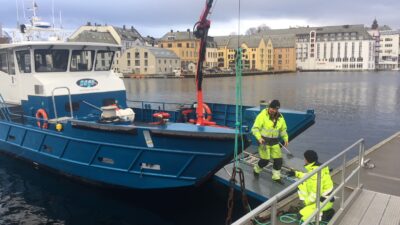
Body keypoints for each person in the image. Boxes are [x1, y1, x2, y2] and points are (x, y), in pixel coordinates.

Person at [287, 150, 335, 222]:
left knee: (301, 216)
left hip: (324, 201)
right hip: (320, 198)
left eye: (305, 158)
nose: (304, 160)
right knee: (301, 184)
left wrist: (305, 203)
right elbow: (308, 176)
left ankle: (325, 214)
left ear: (307, 160)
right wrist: (296, 173)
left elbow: (315, 194)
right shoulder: (316, 168)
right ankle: (309, 207)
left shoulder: (316, 175)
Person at [252, 99, 288, 183]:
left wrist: (285, 138)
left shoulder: (280, 117)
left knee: (278, 160)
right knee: (265, 160)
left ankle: (276, 177)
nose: (273, 110)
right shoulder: (262, 116)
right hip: (264, 141)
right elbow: (255, 128)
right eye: (272, 108)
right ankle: (256, 169)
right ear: (269, 107)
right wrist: (259, 138)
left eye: (276, 109)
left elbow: (283, 129)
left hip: (274, 141)